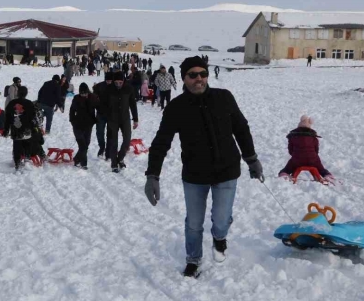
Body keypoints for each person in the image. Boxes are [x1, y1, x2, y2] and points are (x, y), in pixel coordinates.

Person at [143, 56, 263, 278]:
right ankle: (193, 259)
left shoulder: (224, 97)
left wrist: (252, 159)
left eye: (203, 74)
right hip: (195, 175)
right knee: (194, 222)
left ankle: (219, 238)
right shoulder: (176, 108)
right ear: (184, 78)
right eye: (193, 75)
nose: (199, 78)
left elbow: (241, 129)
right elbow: (161, 142)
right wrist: (152, 175)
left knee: (221, 218)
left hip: (227, 171)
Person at [101, 71, 138, 172]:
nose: (118, 84)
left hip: (125, 118)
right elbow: (103, 105)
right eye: (116, 82)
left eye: (120, 82)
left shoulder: (128, 88)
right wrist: (107, 116)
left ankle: (120, 158)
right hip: (112, 119)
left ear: (123, 81)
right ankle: (114, 163)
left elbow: (133, 104)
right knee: (114, 142)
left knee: (127, 140)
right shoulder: (109, 89)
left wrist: (135, 119)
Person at [3, 86, 38, 171]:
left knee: (16, 146)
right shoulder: (29, 103)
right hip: (27, 128)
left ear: (17, 93)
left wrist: (6, 129)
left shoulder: (12, 103)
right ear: (26, 93)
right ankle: (26, 159)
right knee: (27, 144)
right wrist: (34, 128)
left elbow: (7, 118)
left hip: (15, 128)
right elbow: (33, 117)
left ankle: (17, 162)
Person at [69, 83, 98, 169]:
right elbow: (72, 111)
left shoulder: (93, 98)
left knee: (87, 143)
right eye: (82, 93)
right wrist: (72, 121)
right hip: (77, 125)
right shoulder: (76, 98)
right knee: (82, 145)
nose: (84, 95)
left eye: (85, 93)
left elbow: (99, 108)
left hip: (88, 125)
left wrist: (96, 119)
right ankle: (83, 163)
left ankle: (77, 159)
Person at [93, 72, 113, 158]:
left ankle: (108, 151)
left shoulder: (115, 87)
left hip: (111, 114)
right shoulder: (99, 86)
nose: (109, 82)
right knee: (99, 132)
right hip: (101, 114)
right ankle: (102, 147)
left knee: (110, 134)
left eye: (110, 80)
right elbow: (94, 98)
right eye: (107, 80)